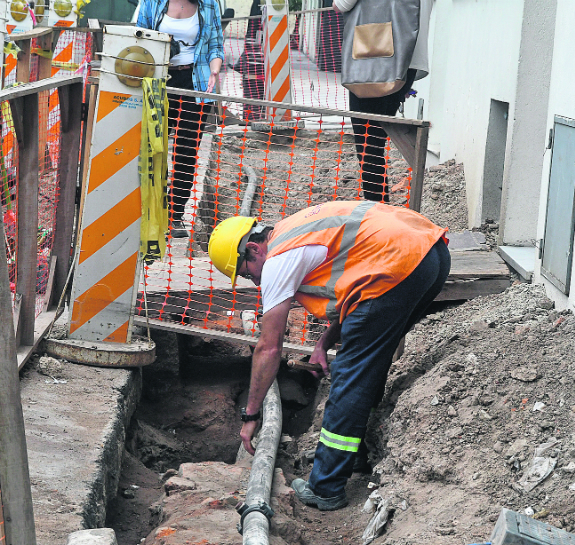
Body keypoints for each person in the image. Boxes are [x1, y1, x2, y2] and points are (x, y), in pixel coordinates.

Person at [208, 200, 450, 510]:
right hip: (430, 254)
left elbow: (269, 348)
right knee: (368, 360)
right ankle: (356, 455)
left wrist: (251, 414)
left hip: (398, 264)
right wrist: (323, 343)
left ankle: (326, 487)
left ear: (254, 250)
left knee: (351, 375)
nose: (255, 282)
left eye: (247, 274)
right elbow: (357, 284)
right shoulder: (292, 231)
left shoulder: (278, 260)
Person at [136, 0, 225, 237]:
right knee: (154, 147)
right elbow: (138, 39)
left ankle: (175, 216)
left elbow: (216, 46)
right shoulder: (152, 3)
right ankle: (150, 211)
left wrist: (214, 71)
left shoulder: (208, 5)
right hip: (159, 81)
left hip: (195, 83)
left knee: (186, 149)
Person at [335, 0, 432, 202]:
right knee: (376, 143)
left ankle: (377, 212)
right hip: (408, 64)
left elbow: (341, 5)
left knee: (368, 148)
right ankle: (380, 211)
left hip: (375, 57)